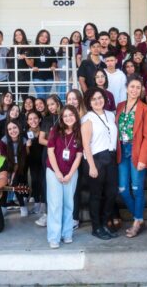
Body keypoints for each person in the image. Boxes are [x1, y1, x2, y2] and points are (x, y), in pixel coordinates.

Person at [116, 75, 147, 238]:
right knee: (123, 189)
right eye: (132, 87)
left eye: (138, 87)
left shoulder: (144, 108)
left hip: (136, 149)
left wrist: (143, 159)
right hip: (121, 150)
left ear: (141, 90)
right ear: (127, 88)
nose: (135, 90)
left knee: (137, 189)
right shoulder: (120, 106)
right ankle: (139, 217)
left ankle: (137, 221)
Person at [81, 88, 119, 240]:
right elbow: (86, 145)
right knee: (96, 195)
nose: (98, 101)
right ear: (89, 103)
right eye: (94, 99)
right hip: (96, 158)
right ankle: (96, 227)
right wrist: (91, 165)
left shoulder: (110, 115)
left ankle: (104, 224)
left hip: (111, 157)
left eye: (100, 98)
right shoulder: (88, 119)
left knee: (111, 193)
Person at [46, 105, 83, 248]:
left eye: (71, 115)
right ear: (61, 118)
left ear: (76, 115)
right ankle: (54, 237)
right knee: (55, 204)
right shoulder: (55, 131)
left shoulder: (79, 132)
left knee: (69, 203)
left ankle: (67, 233)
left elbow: (79, 156)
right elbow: (50, 152)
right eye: (65, 115)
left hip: (71, 172)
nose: (68, 118)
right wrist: (58, 173)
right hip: (53, 170)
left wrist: (69, 174)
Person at [36, 94, 63, 226]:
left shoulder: (65, 116)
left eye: (52, 104)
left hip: (63, 155)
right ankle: (47, 214)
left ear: (58, 103)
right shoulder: (46, 119)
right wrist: (55, 145)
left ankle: (61, 213)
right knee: (47, 183)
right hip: (48, 154)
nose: (51, 107)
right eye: (49, 105)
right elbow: (41, 139)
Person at [66, 89, 87, 229]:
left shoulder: (86, 117)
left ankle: (74, 218)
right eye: (69, 99)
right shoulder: (65, 116)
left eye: (75, 99)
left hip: (83, 156)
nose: (72, 101)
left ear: (79, 100)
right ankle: (71, 217)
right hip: (69, 157)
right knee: (71, 187)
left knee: (76, 187)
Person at [0, 120, 29, 217]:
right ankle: (3, 206)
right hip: (6, 165)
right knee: (5, 183)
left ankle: (22, 205)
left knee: (16, 183)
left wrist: (14, 174)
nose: (13, 131)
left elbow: (23, 158)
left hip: (20, 166)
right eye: (10, 129)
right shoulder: (4, 140)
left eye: (15, 128)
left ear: (19, 128)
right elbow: (3, 158)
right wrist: (8, 174)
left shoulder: (24, 140)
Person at [26, 29, 57, 99]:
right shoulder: (33, 48)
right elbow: (31, 63)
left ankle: (44, 109)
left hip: (49, 76)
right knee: (41, 95)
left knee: (46, 96)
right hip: (37, 76)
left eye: (46, 37)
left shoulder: (51, 48)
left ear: (48, 39)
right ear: (38, 37)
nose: (44, 38)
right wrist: (33, 67)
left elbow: (54, 61)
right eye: (42, 36)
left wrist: (53, 66)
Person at [25, 110, 44, 214]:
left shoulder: (44, 131)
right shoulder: (26, 133)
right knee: (35, 181)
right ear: (27, 121)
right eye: (30, 119)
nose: (33, 121)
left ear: (40, 119)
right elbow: (26, 153)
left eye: (35, 118)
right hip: (33, 161)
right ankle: (37, 204)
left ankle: (44, 204)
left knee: (43, 182)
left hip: (45, 160)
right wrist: (27, 147)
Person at [7, 28, 31, 100]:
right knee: (14, 97)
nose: (18, 36)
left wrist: (25, 57)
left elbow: (31, 64)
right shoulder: (12, 48)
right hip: (13, 76)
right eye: (16, 35)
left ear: (23, 35)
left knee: (24, 97)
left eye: (20, 34)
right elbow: (8, 61)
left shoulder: (28, 48)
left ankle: (24, 111)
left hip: (24, 76)